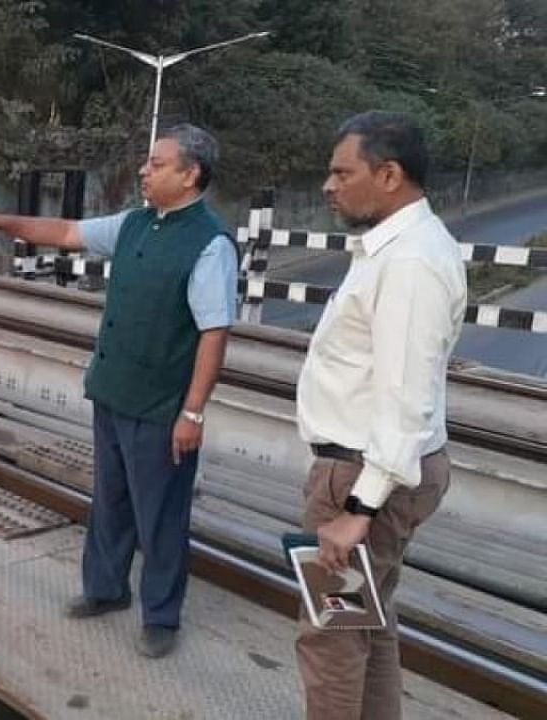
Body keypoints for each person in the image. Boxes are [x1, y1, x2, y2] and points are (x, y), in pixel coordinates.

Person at [0, 124, 238, 658]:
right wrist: (1, 221)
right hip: (113, 391)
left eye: (156, 164)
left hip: (160, 407)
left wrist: (193, 414)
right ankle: (106, 589)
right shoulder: (136, 223)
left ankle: (161, 615)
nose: (143, 171)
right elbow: (66, 232)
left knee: (161, 516)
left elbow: (214, 334)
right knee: (109, 501)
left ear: (190, 174)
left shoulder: (209, 245)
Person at [295, 111, 467, 718]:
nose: (328, 185)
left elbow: (406, 397)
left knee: (332, 638)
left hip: (363, 480)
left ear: (389, 174)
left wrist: (357, 511)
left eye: (343, 172)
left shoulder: (410, 262)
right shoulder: (396, 249)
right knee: (368, 626)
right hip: (371, 474)